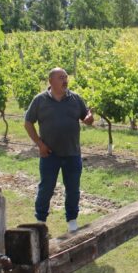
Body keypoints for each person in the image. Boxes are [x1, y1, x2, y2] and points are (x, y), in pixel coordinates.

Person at [24, 68, 94, 233]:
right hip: (49, 154)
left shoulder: (75, 99)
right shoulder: (40, 100)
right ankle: (40, 222)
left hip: (72, 153)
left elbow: (86, 117)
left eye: (66, 77)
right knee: (46, 188)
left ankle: (72, 221)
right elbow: (28, 123)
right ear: (51, 81)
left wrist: (89, 119)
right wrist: (40, 144)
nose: (65, 81)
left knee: (73, 189)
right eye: (61, 78)